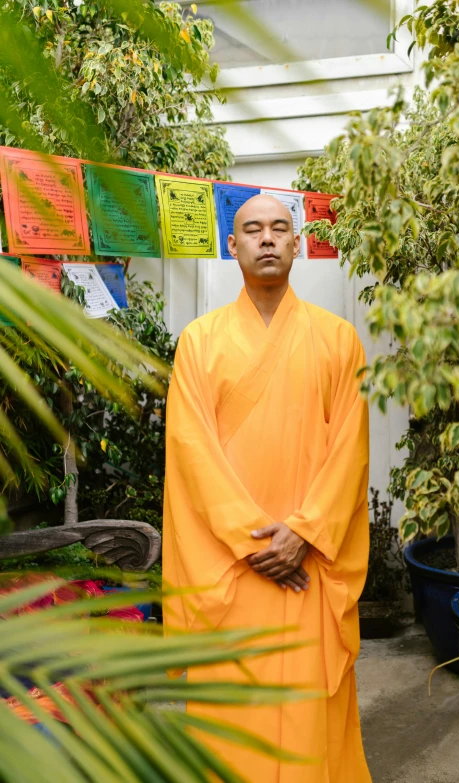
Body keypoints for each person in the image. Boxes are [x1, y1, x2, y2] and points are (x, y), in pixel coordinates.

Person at [163, 194, 371, 782]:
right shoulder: (198, 344)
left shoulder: (338, 341)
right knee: (236, 719)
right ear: (232, 247)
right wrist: (255, 541)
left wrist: (303, 533)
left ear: (298, 243)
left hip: (307, 566)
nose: (268, 239)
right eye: (252, 230)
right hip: (235, 567)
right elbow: (190, 452)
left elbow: (350, 451)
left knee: (309, 724)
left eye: (281, 228)